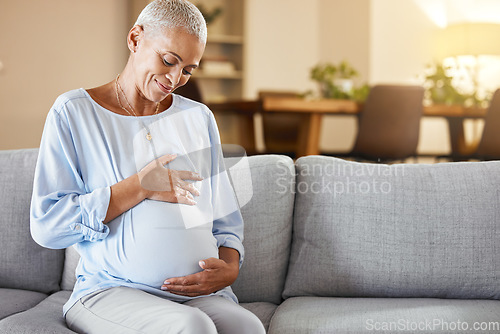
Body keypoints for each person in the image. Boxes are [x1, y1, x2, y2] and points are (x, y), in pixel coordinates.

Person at [30, 0, 265, 333]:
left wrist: (229, 268)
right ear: (135, 39)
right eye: (169, 60)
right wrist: (140, 186)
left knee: (247, 327)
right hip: (111, 290)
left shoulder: (198, 118)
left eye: (187, 69)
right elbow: (47, 225)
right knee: (191, 327)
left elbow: (225, 220)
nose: (175, 78)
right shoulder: (73, 113)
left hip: (194, 295)